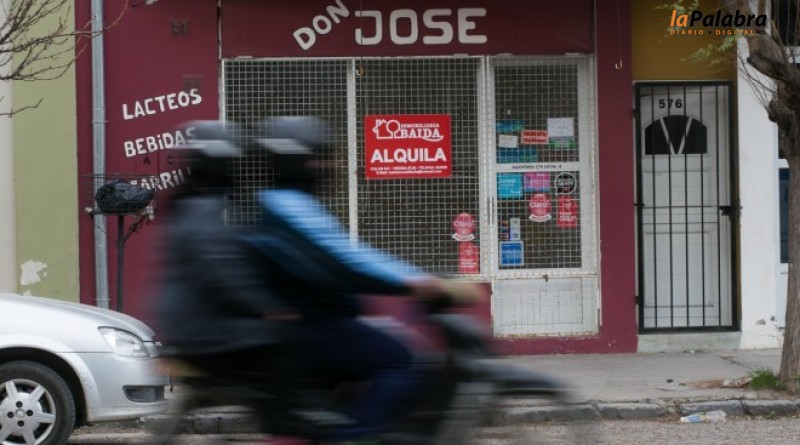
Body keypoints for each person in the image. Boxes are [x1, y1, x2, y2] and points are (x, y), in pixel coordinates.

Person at [235, 116, 481, 442]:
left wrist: (414, 278)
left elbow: (346, 254)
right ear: (299, 160)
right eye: (322, 157)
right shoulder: (289, 206)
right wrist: (416, 282)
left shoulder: (277, 202)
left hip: (310, 324)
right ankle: (355, 436)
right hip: (314, 326)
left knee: (388, 341)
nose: (330, 165)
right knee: (404, 363)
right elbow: (346, 261)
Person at [155, 120, 299, 397]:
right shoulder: (206, 210)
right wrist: (269, 306)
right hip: (206, 330)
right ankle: (285, 417)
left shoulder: (190, 204)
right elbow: (224, 271)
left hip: (193, 324)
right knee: (290, 341)